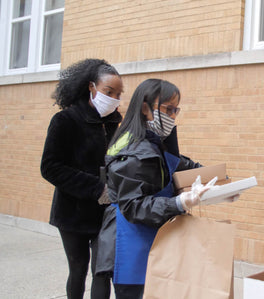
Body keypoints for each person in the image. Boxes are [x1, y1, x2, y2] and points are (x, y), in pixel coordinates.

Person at [94, 78, 236, 299]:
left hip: (155, 237)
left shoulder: (155, 142)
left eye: (175, 110)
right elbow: (134, 206)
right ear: (145, 107)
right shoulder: (131, 151)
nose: (172, 116)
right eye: (168, 109)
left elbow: (183, 167)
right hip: (131, 240)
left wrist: (219, 188)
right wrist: (180, 202)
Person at [41, 58, 123, 299]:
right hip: (73, 213)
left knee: (102, 271)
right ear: (91, 87)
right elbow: (50, 167)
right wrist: (96, 188)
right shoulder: (65, 120)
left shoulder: (115, 123)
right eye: (109, 91)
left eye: (119, 93)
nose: (115, 97)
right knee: (78, 270)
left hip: (105, 214)